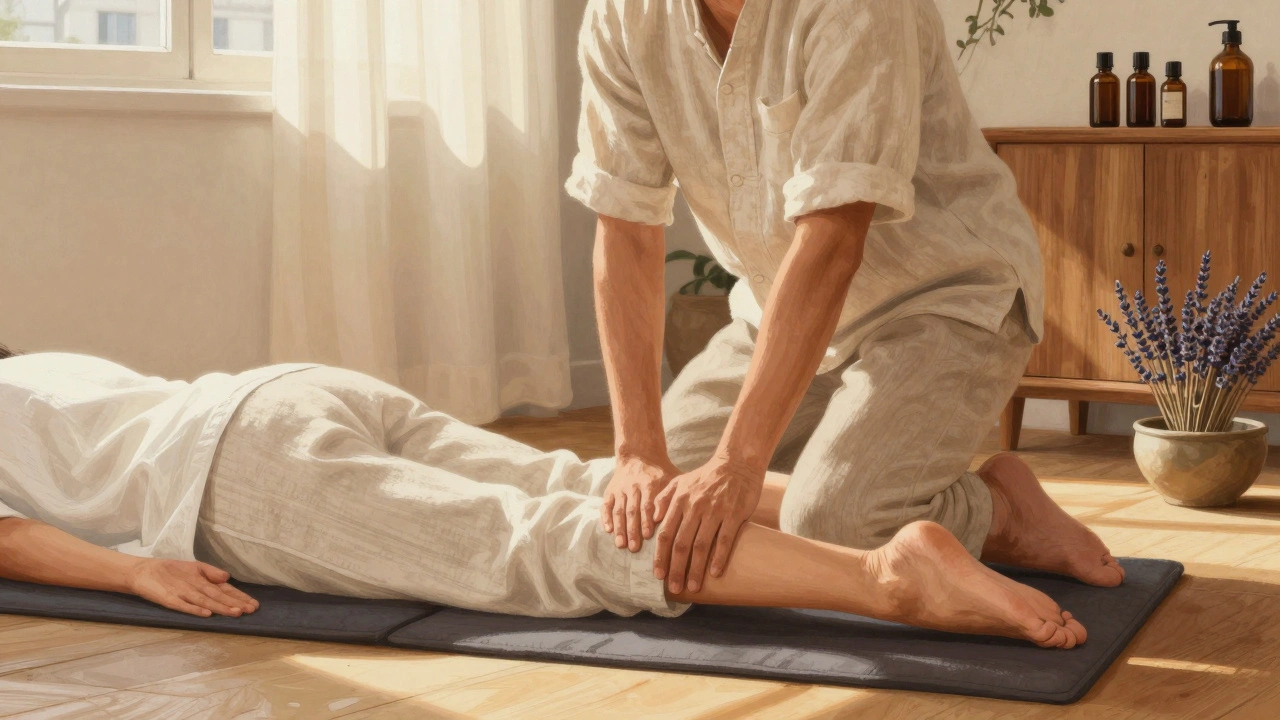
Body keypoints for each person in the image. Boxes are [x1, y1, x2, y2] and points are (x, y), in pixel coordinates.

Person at [565, 0, 1124, 597]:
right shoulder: (622, 14)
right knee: (646, 501)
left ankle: (1001, 513)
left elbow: (833, 238)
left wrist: (738, 466)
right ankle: (854, 485)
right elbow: (625, 228)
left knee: (835, 520)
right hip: (775, 315)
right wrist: (638, 451)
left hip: (942, 296)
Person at [0, 347, 1088, 648]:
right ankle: (986, 513)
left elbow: (10, 540)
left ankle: (884, 578)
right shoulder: (26, 362)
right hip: (287, 390)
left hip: (234, 478)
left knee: (530, 543)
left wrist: (134, 568)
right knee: (579, 484)